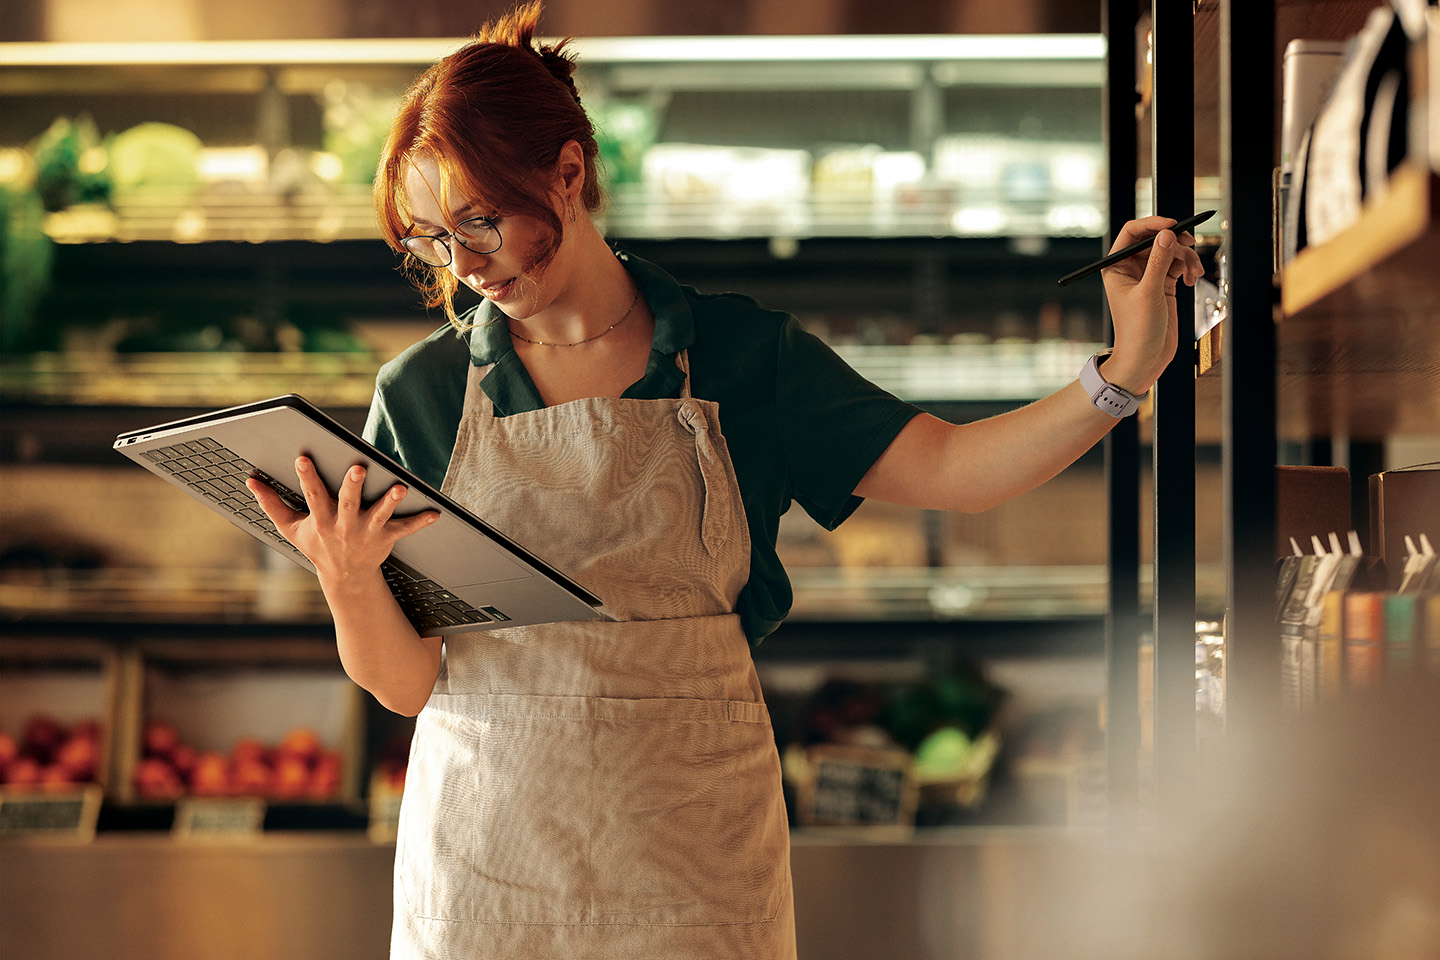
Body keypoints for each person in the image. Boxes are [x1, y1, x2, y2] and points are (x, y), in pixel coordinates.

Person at [247, 4, 1202, 958]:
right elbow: (407, 685)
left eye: (480, 223)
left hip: (693, 858)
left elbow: (959, 471)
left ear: (568, 175)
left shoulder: (747, 356)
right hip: (491, 869)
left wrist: (1125, 373)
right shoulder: (420, 393)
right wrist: (345, 576)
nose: (461, 266)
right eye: (427, 239)